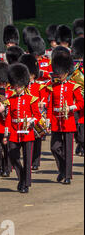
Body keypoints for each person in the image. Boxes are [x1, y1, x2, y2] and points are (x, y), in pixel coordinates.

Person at [47, 46, 84, 185]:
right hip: (57, 121)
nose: (59, 75)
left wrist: (71, 107)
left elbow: (81, 103)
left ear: (66, 71)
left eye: (62, 73)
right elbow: (51, 105)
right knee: (54, 147)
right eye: (58, 72)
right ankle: (63, 169)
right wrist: (49, 120)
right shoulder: (54, 86)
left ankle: (68, 175)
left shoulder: (73, 86)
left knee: (68, 150)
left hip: (68, 120)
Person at [3, 63, 42, 194]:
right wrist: (6, 133)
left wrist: (32, 121)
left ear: (24, 85)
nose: (17, 88)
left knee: (27, 159)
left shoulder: (31, 99)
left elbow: (37, 115)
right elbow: (8, 117)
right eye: (15, 86)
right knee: (12, 156)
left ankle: (26, 183)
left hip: (27, 132)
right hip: (14, 131)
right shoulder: (11, 99)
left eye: (19, 86)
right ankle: (22, 178)